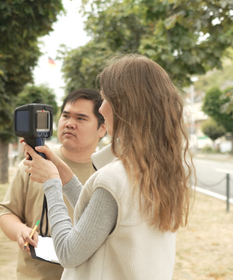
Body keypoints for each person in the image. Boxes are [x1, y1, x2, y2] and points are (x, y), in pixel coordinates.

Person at [22, 54, 194, 279]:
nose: (101, 110)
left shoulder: (114, 178)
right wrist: (65, 177)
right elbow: (102, 220)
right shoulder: (164, 169)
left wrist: (51, 182)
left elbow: (67, 253)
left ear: (124, 105)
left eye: (105, 100)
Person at [0, 89, 107, 280]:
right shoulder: (32, 164)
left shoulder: (108, 173)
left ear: (102, 128)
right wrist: (21, 231)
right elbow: (7, 213)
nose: (69, 124)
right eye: (65, 116)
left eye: (81, 118)